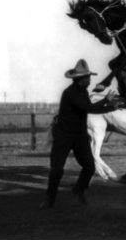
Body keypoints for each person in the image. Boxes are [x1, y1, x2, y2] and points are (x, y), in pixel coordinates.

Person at [40, 59, 121, 209]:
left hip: (79, 135)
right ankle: (49, 199)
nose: (90, 80)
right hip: (63, 136)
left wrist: (107, 103)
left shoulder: (82, 91)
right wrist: (108, 104)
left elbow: (89, 107)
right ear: (80, 80)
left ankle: (78, 189)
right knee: (57, 169)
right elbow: (89, 108)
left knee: (89, 166)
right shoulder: (70, 93)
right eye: (88, 78)